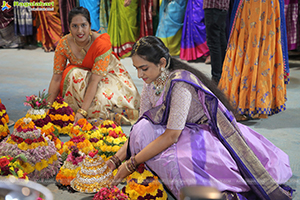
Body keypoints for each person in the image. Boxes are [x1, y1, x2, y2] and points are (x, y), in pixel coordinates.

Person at [106, 36, 293, 200]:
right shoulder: (150, 83)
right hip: (175, 131)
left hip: (203, 134)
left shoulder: (179, 83)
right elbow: (140, 127)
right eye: (136, 69)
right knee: (142, 130)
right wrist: (115, 160)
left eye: (143, 68)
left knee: (181, 162)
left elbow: (172, 135)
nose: (139, 75)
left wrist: (131, 164)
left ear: (162, 63)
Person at [47, 7, 140, 125]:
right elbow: (56, 77)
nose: (80, 31)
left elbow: (94, 81)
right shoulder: (64, 44)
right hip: (81, 78)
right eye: (75, 26)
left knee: (100, 100)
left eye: (83, 25)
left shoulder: (101, 44)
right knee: (73, 74)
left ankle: (102, 112)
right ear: (69, 27)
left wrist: (82, 112)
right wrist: (47, 106)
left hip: (107, 75)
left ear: (90, 26)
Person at [218, 0, 289, 119]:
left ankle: (251, 104)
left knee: (257, 49)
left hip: (263, 7)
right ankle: (250, 104)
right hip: (259, 7)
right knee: (252, 48)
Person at [203, 0, 230, 84]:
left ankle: (216, 78)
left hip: (213, 6)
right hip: (222, 7)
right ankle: (222, 75)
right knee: (220, 41)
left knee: (214, 42)